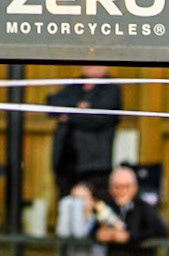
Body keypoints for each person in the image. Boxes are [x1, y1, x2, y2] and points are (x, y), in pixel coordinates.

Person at [47, 66, 121, 199]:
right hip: (65, 163)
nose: (89, 66)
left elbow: (97, 118)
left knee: (95, 205)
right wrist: (79, 107)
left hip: (93, 164)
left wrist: (68, 115)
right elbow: (52, 103)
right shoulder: (75, 85)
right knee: (66, 205)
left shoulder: (110, 89)